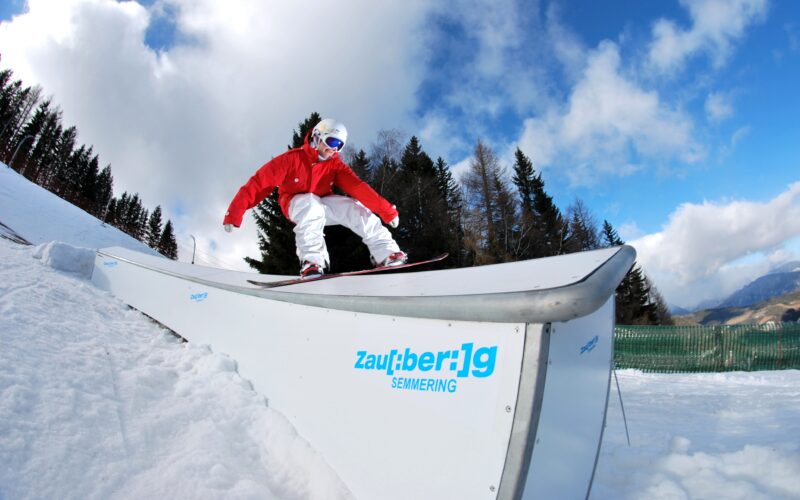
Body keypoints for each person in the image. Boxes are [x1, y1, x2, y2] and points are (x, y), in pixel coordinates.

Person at [223, 118, 407, 278]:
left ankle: (386, 252)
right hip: (295, 204)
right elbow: (259, 183)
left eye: (339, 146)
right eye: (332, 141)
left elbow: (358, 187)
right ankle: (312, 262)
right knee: (310, 204)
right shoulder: (291, 159)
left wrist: (387, 210)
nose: (333, 149)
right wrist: (234, 213)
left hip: (323, 203)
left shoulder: (335, 165)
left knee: (352, 207)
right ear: (317, 137)